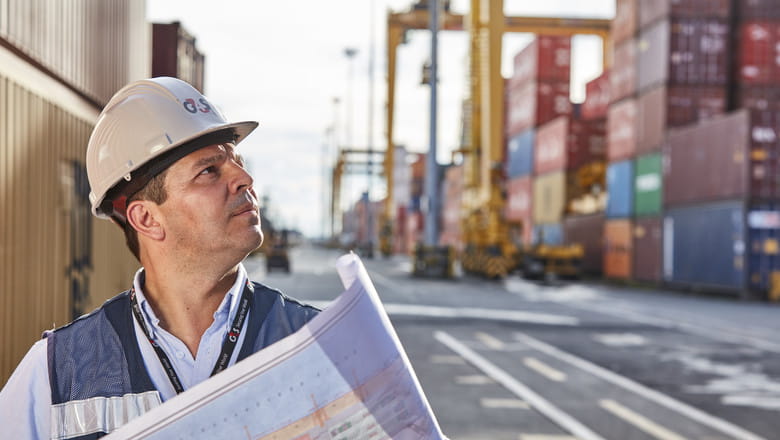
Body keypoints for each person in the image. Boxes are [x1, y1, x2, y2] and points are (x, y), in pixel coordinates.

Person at [0, 77, 319, 439]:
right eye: (209, 170)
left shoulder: (318, 342)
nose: (245, 179)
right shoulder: (56, 371)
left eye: (238, 162)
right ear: (147, 219)